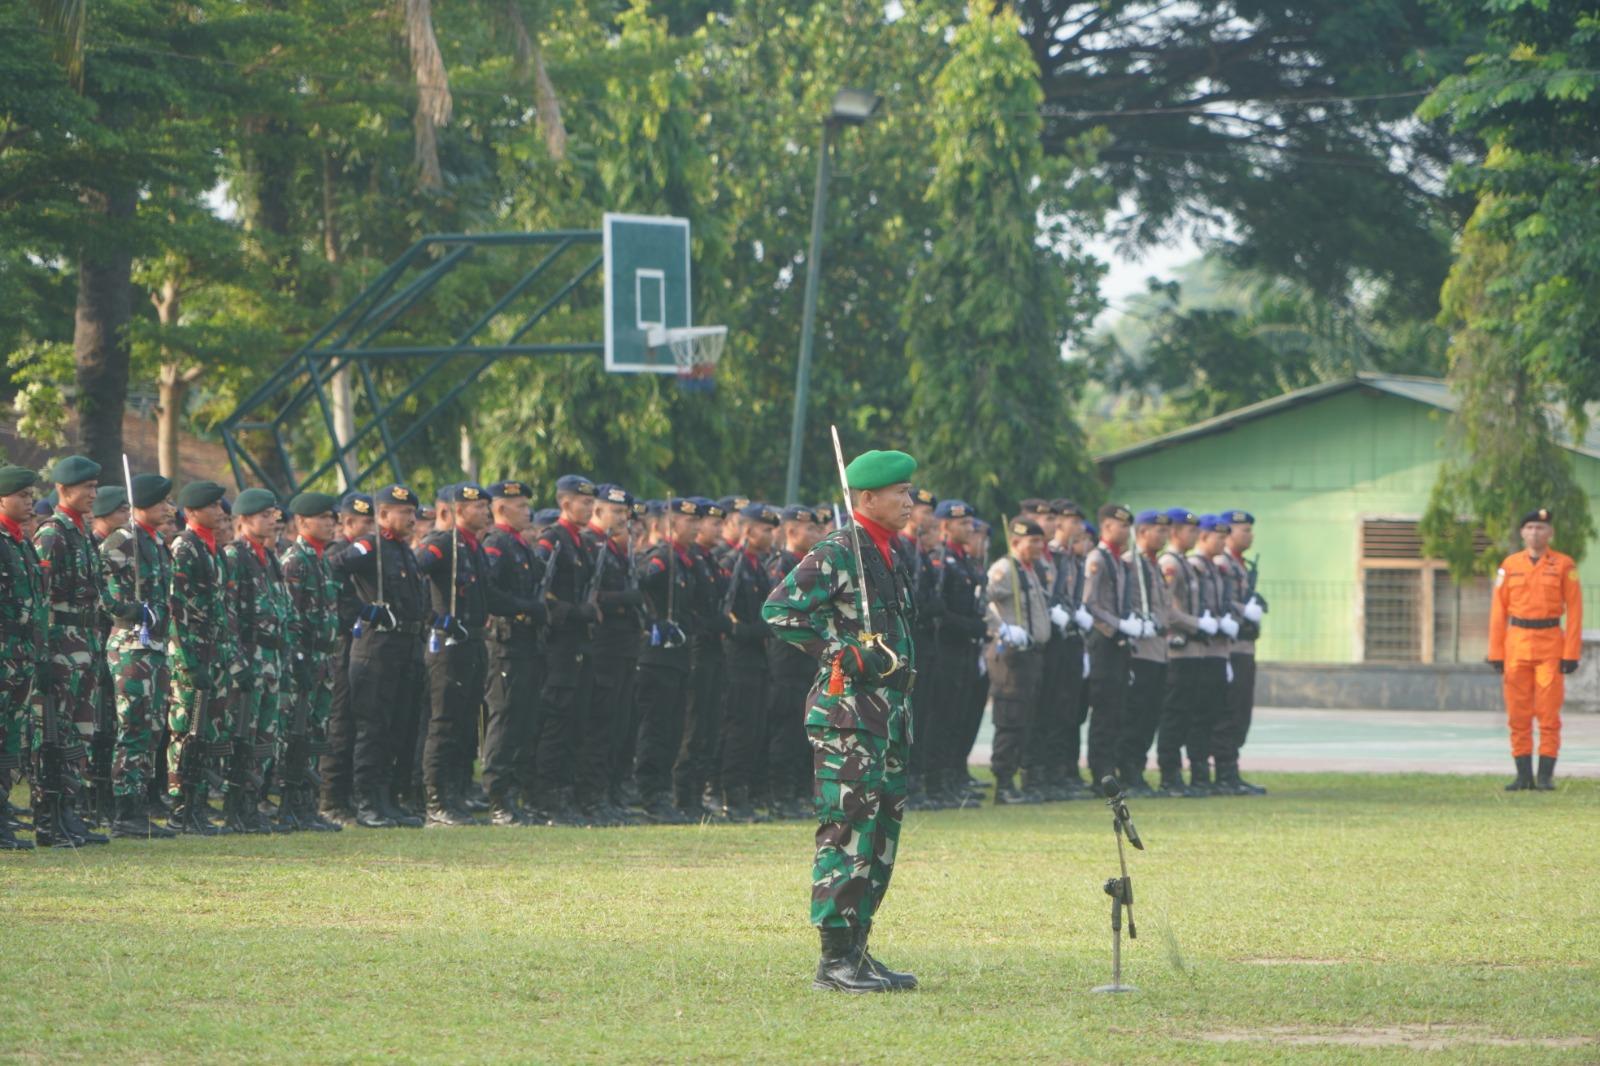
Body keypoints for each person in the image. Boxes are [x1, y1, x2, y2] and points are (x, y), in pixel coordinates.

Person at [763, 448, 920, 994]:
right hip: (849, 716)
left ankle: (858, 951)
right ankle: (833, 961)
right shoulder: (838, 550)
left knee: (880, 838)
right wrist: (838, 650)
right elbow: (780, 609)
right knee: (847, 831)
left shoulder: (885, 552)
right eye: (899, 492)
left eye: (910, 490)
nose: (910, 500)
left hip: (888, 714)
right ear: (867, 497)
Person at [33, 456, 123, 846]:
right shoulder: (52, 534)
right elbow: (40, 600)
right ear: (64, 489)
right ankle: (48, 817)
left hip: (85, 646)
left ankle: (69, 811)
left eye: (95, 487)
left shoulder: (79, 533)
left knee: (78, 733)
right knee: (54, 734)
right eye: (86, 487)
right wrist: (44, 655)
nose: (93, 494)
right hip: (61, 648)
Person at [332, 484, 429, 828]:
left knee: (398, 727)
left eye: (413, 513)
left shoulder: (403, 551)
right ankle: (366, 800)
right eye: (404, 512)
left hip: (405, 648)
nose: (411, 519)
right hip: (377, 649)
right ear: (383, 514)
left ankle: (386, 799)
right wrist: (363, 611)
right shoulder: (370, 546)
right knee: (372, 728)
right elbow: (334, 569)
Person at [98, 474, 178, 839]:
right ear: (144, 504)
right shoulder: (123, 540)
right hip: (131, 646)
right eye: (162, 502)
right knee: (132, 726)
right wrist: (132, 611)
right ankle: (125, 811)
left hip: (155, 646)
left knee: (152, 728)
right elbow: (102, 589)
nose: (168, 508)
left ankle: (140, 804)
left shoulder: (155, 542)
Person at [416, 482, 497, 826]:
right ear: (457, 510)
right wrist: (434, 618)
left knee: (465, 724)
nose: (485, 511)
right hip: (448, 646)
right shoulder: (441, 544)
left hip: (473, 642)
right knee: (444, 723)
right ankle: (436, 799)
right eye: (477, 506)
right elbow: (414, 575)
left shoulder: (472, 547)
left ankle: (456, 793)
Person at [1489, 507, 1582, 791]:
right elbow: (1497, 610)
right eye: (1529, 527)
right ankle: (1522, 775)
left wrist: (1571, 653)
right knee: (1517, 713)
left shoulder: (1564, 565)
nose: (1535, 532)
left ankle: (1544, 777)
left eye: (1540, 528)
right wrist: (1495, 652)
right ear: (1522, 533)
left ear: (1550, 533)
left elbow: (1575, 611)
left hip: (1550, 644)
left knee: (1548, 713)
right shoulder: (1510, 565)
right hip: (1516, 643)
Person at [222, 488, 293, 833]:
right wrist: (237, 664)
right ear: (244, 520)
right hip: (249, 656)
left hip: (271, 657)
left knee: (267, 735)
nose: (272, 521)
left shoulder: (269, 557)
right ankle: (236, 805)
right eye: (264, 516)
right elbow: (229, 613)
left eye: (273, 515)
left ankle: (254, 800)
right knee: (243, 733)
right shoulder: (235, 556)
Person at [165, 480, 234, 836]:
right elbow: (175, 611)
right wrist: (189, 663)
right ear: (192, 512)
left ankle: (198, 805)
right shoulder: (184, 547)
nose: (220, 512)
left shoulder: (212, 549)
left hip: (213, 653)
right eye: (213, 506)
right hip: (191, 657)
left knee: (207, 730)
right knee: (185, 732)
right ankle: (180, 806)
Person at [531, 474, 600, 825]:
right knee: (556, 721)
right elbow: (540, 592)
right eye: (583, 501)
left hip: (579, 645)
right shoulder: (552, 540)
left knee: (577, 721)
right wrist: (574, 612)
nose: (589, 507)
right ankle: (547, 795)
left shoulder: (583, 543)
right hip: (558, 645)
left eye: (591, 502)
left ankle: (566, 792)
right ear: (565, 503)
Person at [632, 498, 702, 823]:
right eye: (688, 521)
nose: (696, 526)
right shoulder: (662, 558)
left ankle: (662, 792)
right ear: (669, 524)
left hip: (677, 659)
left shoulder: (685, 561)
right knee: (656, 728)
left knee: (673, 728)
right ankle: (650, 793)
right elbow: (641, 581)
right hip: (656, 658)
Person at [481, 480, 546, 825]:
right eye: (520, 506)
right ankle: (496, 796)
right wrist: (524, 606)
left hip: (526, 644)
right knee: (504, 719)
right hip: (506, 644)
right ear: (502, 508)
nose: (527, 511)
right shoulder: (497, 545)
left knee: (523, 720)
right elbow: (489, 591)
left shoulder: (521, 546)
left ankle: (514, 794)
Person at [278, 491, 344, 832]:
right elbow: (291, 617)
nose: (331, 523)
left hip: (324, 660)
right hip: (303, 661)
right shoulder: (295, 561)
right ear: (302, 522)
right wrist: (299, 659)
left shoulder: (322, 560)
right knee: (297, 733)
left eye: (333, 518)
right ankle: (289, 804)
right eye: (323, 518)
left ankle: (308, 804)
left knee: (316, 733)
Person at [582, 484, 645, 824]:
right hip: (602, 644)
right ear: (598, 510)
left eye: (625, 513)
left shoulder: (616, 548)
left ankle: (609, 792)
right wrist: (624, 599)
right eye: (616, 511)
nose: (622, 518)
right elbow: (592, 595)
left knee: (620, 721)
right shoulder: (591, 545)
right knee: (602, 721)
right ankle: (592, 796)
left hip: (623, 645)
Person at [714, 502, 779, 822]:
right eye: (765, 529)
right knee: (738, 728)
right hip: (738, 658)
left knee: (754, 728)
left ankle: (743, 792)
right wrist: (747, 630)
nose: (770, 535)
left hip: (757, 659)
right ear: (748, 530)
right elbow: (725, 613)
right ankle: (729, 793)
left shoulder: (756, 565)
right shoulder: (733, 563)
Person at [985, 517, 1052, 804]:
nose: (1039, 546)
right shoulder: (1004, 569)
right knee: (1010, 718)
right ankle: (1003, 782)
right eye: (1032, 541)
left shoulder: (1030, 569)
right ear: (1015, 542)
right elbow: (982, 599)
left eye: (1041, 541)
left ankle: (1014, 778)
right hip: (1011, 656)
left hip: (1031, 655)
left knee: (1026, 718)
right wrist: (1002, 628)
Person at [764, 505, 822, 820]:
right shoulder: (783, 566)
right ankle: (779, 794)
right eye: (809, 529)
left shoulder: (807, 565)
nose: (816, 534)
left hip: (806, 660)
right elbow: (777, 611)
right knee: (784, 729)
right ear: (791, 531)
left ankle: (799, 792)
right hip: (786, 657)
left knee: (803, 730)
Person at [319, 492, 373, 824]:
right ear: (348, 522)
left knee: (356, 722)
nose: (371, 529)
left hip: (361, 648)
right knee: (338, 723)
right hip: (340, 647)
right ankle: (331, 799)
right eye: (365, 522)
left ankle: (349, 794)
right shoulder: (340, 553)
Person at [0, 466, 47, 850]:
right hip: (3, 655)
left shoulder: (21, 543)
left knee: (11, 739)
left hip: (22, 657)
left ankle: (3, 817)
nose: (30, 502)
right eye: (22, 495)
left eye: (32, 495)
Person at [1081, 504, 1139, 788]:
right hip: (1103, 641)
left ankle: (1110, 768)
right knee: (1104, 711)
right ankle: (1100, 773)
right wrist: (1116, 624)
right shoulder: (1098, 558)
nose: (1126, 531)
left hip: (1118, 643)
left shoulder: (1119, 560)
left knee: (1118, 709)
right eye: (1121, 525)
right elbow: (1090, 603)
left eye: (1128, 526)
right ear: (1106, 527)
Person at [1155, 508, 1209, 797]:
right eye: (1189, 530)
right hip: (1178, 651)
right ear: (1176, 532)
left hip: (1193, 651)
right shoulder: (1170, 564)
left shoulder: (1185, 564)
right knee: (1173, 715)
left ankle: (1182, 774)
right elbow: (1167, 608)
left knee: (1188, 714)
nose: (1195, 535)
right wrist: (1195, 623)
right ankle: (1169, 774)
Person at [1118, 510, 1171, 795]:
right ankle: (1127, 770)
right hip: (1139, 650)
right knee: (1135, 714)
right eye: (1158, 530)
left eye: (1165, 531)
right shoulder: (1130, 563)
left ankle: (1137, 768)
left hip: (1159, 650)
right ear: (1142, 533)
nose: (1163, 536)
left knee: (1150, 715)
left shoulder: (1152, 565)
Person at [1042, 499, 1091, 797]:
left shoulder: (1071, 558)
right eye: (1073, 521)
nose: (1079, 527)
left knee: (1068, 709)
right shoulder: (1052, 556)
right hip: (1052, 640)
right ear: (1059, 522)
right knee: (1052, 707)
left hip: (1071, 638)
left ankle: (1062, 771)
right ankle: (1049, 773)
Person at [1216, 510, 1267, 795]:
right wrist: (1242, 610)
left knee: (1241, 712)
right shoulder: (1223, 564)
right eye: (1243, 529)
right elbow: (1222, 600)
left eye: (1250, 529)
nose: (1249, 535)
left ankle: (1231, 770)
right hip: (1231, 648)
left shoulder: (1241, 565)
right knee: (1230, 710)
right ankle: (1224, 771)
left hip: (1246, 646)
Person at [1189, 515, 1237, 795]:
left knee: (1215, 714)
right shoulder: (1193, 566)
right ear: (1204, 537)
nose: (1223, 541)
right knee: (1198, 716)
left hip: (1216, 651)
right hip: (1198, 652)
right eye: (1218, 536)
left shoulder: (1212, 568)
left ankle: (1210, 774)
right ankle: (1197, 773)